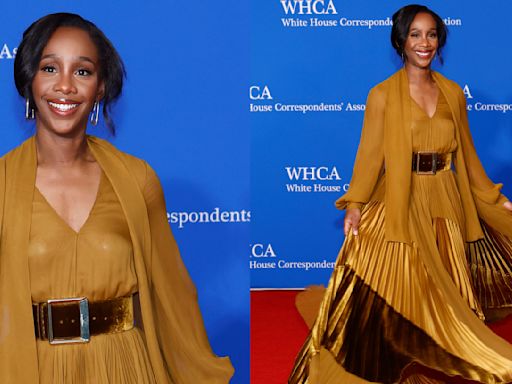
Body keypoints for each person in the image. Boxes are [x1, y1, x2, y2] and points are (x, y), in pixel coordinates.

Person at [0, 13, 233, 384]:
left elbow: (171, 293)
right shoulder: (3, 183)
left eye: (82, 72)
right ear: (28, 79)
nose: (65, 86)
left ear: (101, 86)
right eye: (49, 68)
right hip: (34, 369)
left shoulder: (136, 178)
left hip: (124, 365)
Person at [289, 4, 512, 384]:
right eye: (415, 34)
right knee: (397, 279)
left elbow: (468, 155)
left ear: (439, 40)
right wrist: (356, 205)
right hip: (399, 198)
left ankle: (440, 348)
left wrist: (493, 199)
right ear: (400, 41)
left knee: (442, 290)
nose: (424, 43)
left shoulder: (454, 94)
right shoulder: (381, 96)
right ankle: (392, 350)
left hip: (443, 199)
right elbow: (370, 155)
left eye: (431, 34)